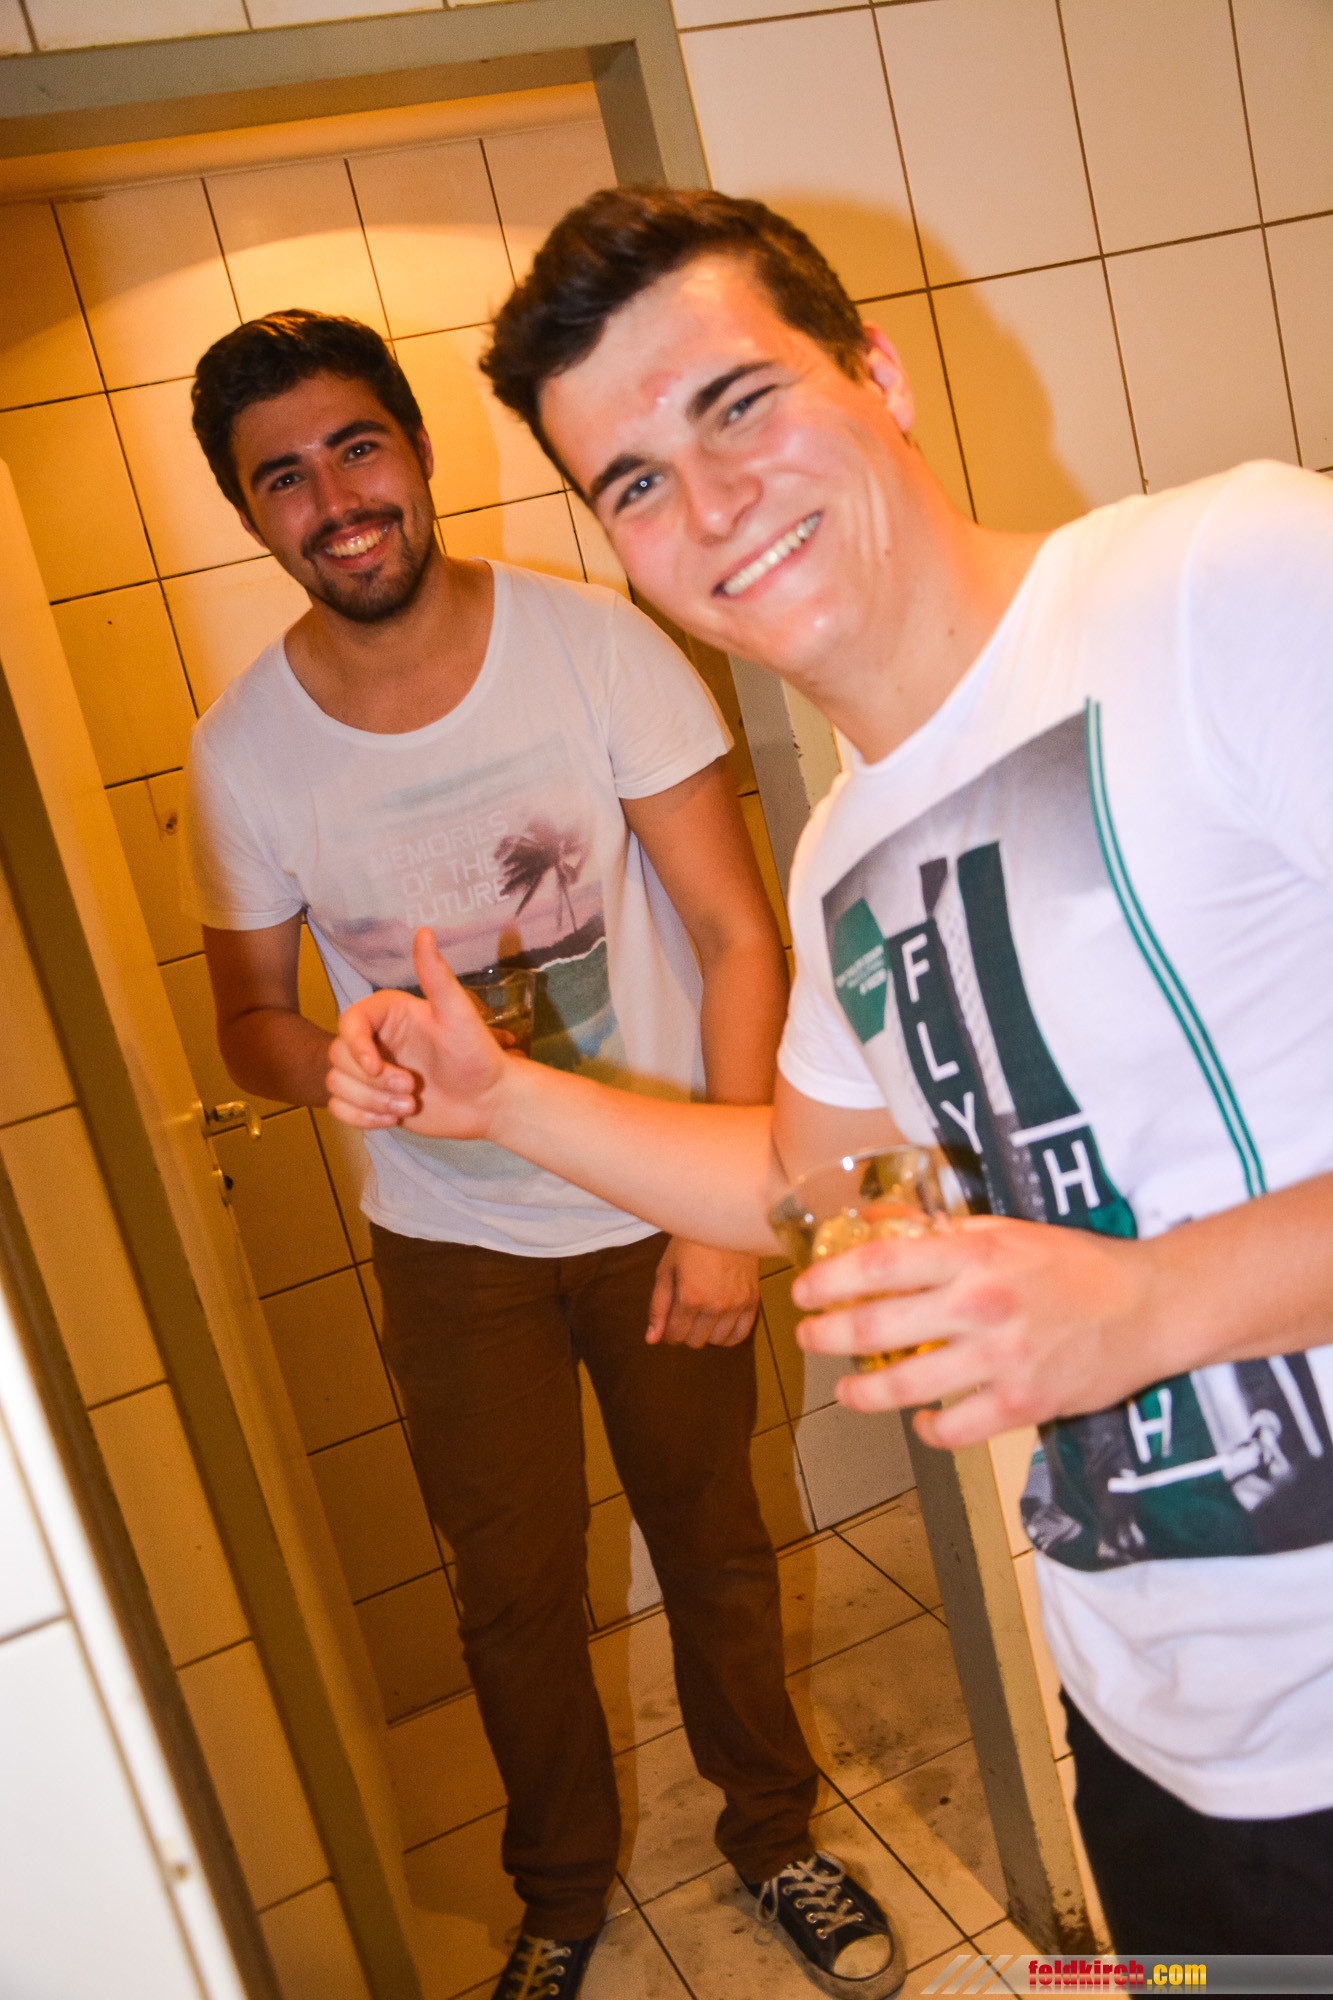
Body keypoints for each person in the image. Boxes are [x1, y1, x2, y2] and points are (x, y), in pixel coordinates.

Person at [326, 189, 1333, 1956]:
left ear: (878, 373)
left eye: (739, 402)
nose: (711, 504)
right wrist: (500, 1101)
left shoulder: (1220, 585)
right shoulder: (841, 860)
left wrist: (1149, 1309)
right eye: (634, 482)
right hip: (1152, 1738)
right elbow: (801, 1176)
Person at [182, 308, 907, 2000]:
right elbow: (248, 1023)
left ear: (419, 449)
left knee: (712, 1544)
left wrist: (724, 1220)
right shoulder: (243, 752)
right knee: (509, 1599)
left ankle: (774, 1838)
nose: (334, 499)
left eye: (356, 447)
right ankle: (563, 1898)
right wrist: (326, 1062)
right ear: (248, 512)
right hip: (451, 1248)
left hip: (659, 1197)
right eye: (282, 477)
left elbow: (737, 936)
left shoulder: (593, 648)